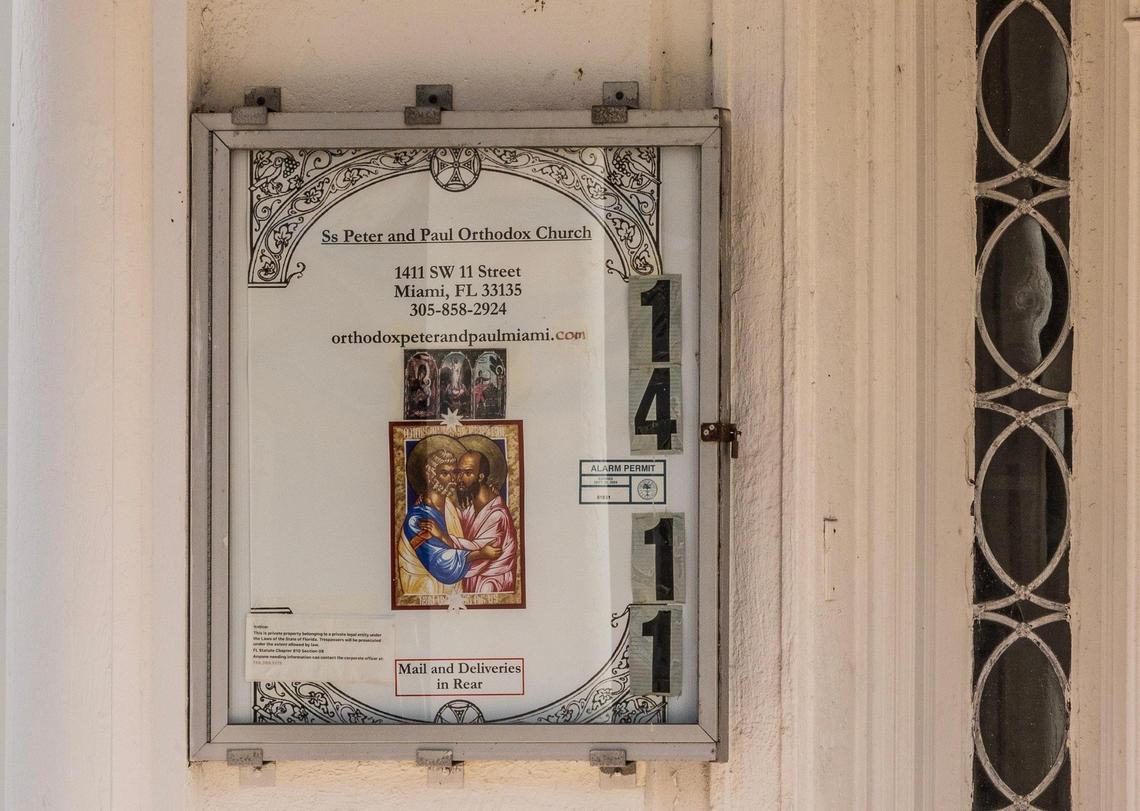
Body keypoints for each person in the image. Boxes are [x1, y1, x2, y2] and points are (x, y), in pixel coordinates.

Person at [398, 449, 501, 593]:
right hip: (428, 588)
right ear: (430, 476)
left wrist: (487, 495)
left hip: (454, 588)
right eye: (445, 473)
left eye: (455, 472)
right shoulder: (416, 519)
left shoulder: (450, 507)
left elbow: (470, 528)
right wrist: (480, 554)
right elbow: (440, 563)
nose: (453, 479)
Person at [445, 450, 518, 593]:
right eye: (458, 472)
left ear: (481, 476)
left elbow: (475, 547)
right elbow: (459, 523)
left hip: (491, 583)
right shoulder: (472, 508)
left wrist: (442, 537)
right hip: (473, 580)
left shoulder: (497, 515)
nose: (460, 478)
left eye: (467, 473)